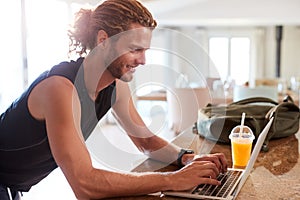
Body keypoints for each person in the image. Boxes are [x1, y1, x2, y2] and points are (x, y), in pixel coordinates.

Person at [0, 0, 227, 199]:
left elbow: (145, 141)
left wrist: (187, 158)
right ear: (103, 40)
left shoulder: (115, 86)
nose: (143, 60)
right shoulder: (60, 89)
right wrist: (173, 180)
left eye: (145, 50)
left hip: (13, 182)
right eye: (135, 49)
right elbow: (84, 184)